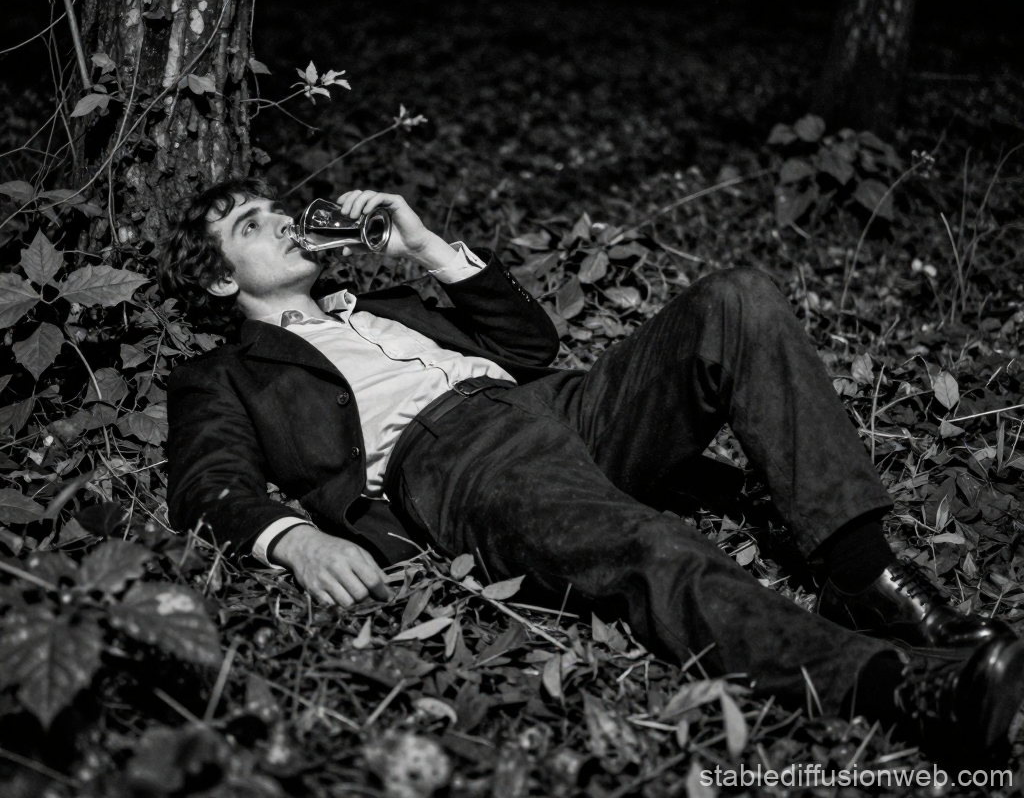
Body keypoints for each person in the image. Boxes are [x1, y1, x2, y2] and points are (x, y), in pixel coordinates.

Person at [161, 177, 1024, 767]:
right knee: (648, 544)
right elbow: (207, 484)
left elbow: (533, 348)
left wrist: (424, 247)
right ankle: (897, 686)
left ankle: (862, 572)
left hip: (559, 405)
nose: (280, 222)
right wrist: (294, 540)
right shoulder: (224, 375)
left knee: (737, 299)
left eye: (275, 209)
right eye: (249, 227)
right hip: (458, 460)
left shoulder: (383, 300)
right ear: (215, 278)